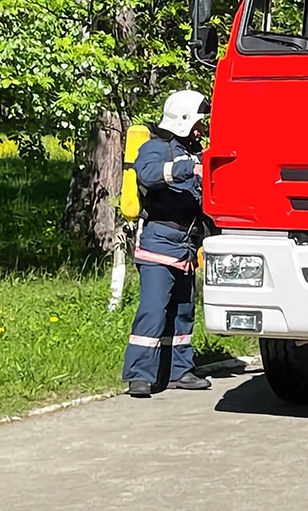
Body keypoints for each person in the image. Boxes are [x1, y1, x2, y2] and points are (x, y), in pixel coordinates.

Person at [123, 89, 213, 397]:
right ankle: (139, 375)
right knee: (152, 311)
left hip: (186, 247)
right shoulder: (154, 148)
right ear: (184, 120)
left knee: (184, 311)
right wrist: (189, 167)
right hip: (158, 244)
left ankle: (180, 371)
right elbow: (147, 175)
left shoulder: (194, 151)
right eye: (198, 123)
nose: (202, 129)